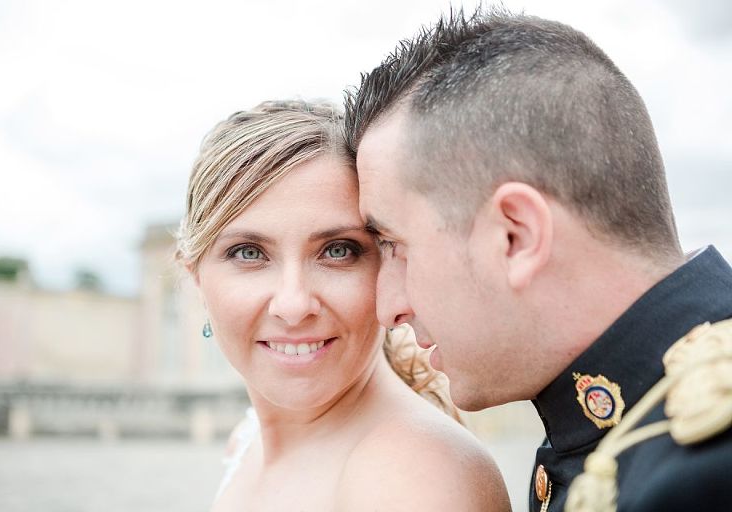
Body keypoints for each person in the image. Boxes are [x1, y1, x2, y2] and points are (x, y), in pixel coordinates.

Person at [345, 8, 732, 512]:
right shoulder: (634, 440)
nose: (386, 308)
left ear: (516, 236)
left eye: (395, 245)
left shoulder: (705, 475)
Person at [176, 100, 510, 511]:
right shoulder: (247, 441)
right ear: (196, 277)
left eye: (338, 251)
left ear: (390, 264)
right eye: (248, 253)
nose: (294, 304)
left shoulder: (414, 478)